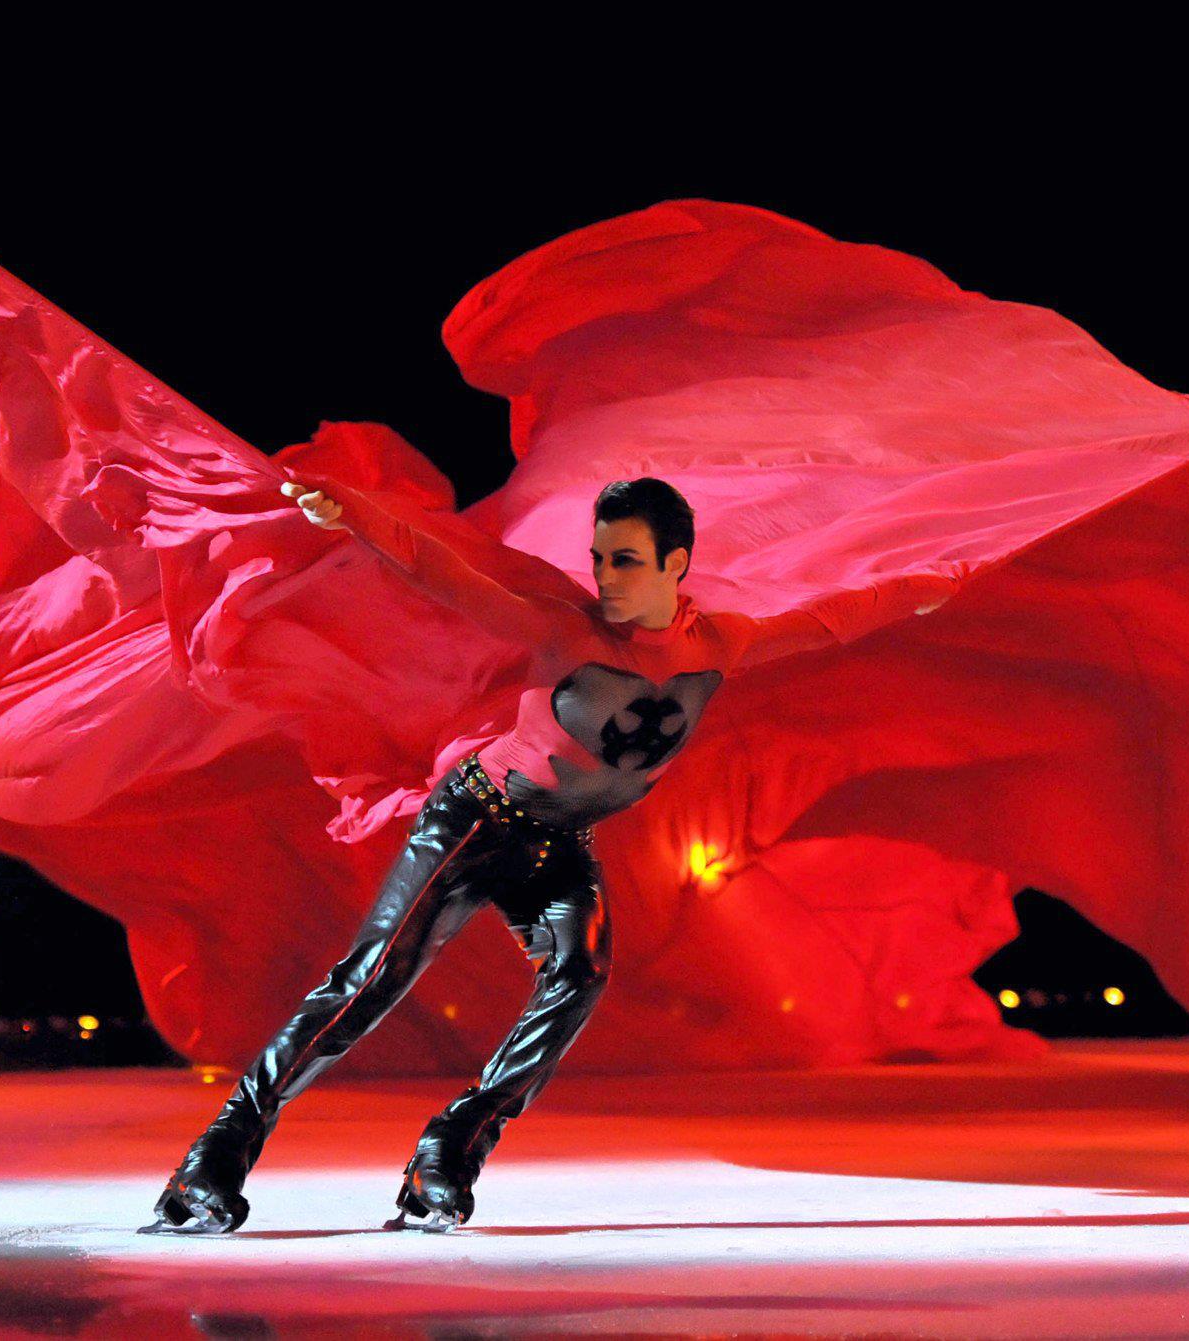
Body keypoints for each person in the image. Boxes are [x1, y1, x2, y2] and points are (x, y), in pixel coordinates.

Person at [141, 473, 945, 1234]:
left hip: (556, 844)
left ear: (676, 564)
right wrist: (354, 513)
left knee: (580, 974)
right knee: (366, 988)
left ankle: (448, 1152)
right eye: (599, 559)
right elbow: (442, 573)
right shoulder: (566, 629)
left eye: (625, 561)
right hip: (474, 823)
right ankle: (210, 1163)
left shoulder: (719, 643)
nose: (605, 577)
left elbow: (838, 614)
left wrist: (930, 582)